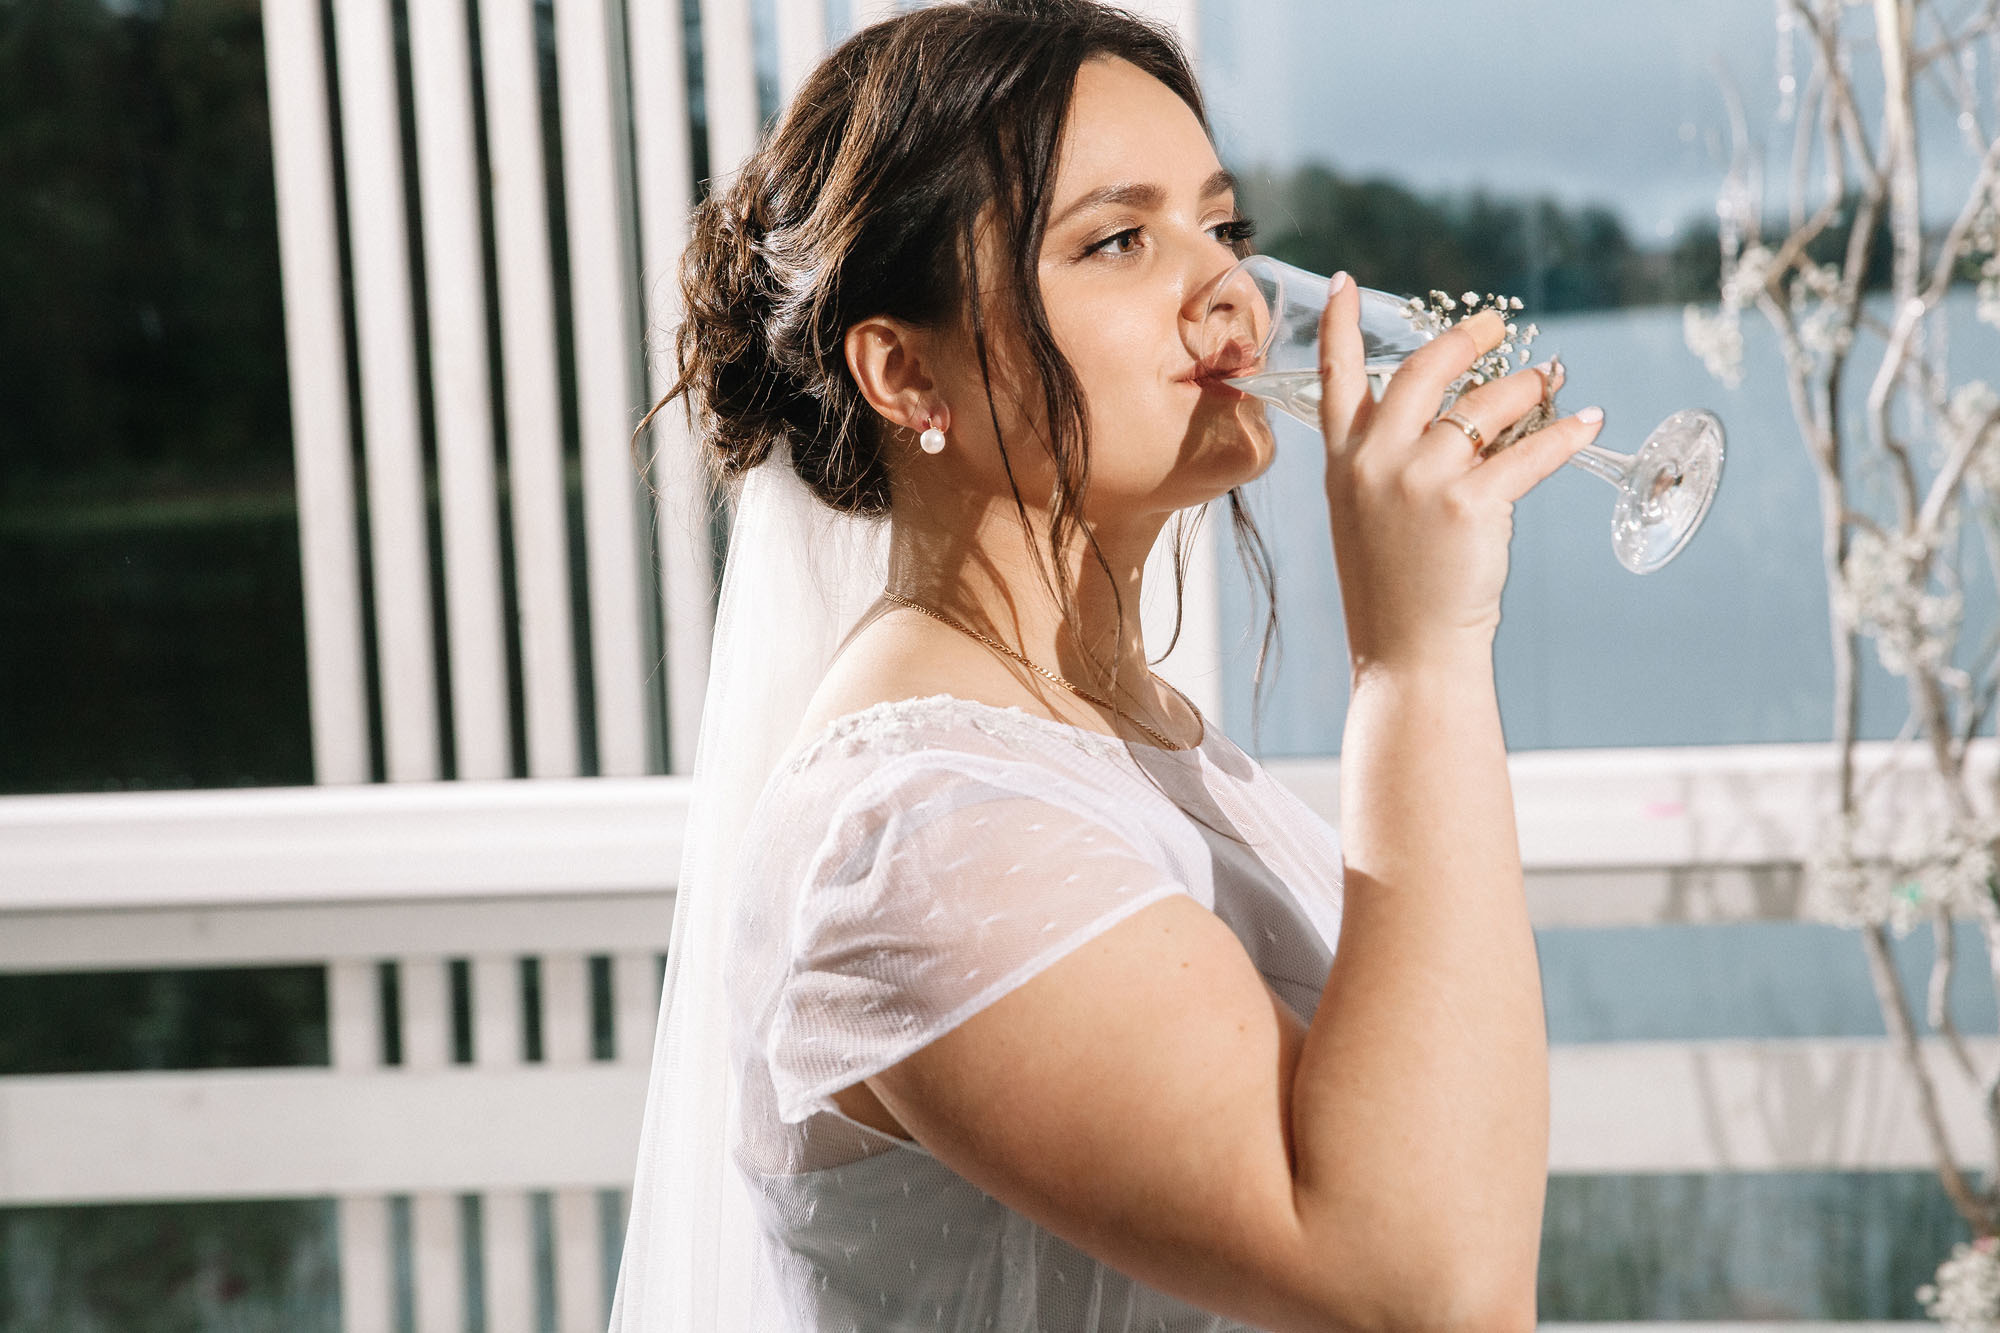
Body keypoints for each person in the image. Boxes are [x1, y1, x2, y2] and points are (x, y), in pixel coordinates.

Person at [610, 2, 1603, 1330]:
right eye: (1120, 240)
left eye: (1223, 226)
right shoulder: (918, 836)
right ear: (905, 374)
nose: (1233, 294)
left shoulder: (1122, 739)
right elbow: (1427, 1286)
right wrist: (1420, 662)